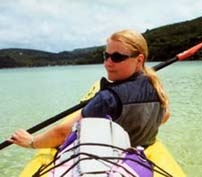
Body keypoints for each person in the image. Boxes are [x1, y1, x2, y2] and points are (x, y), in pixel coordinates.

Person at [9, 29, 170, 149]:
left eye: (117, 57)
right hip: (143, 152)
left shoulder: (109, 97)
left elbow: (63, 133)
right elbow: (164, 116)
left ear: (139, 59)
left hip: (112, 159)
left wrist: (31, 142)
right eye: (106, 56)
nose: (108, 63)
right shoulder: (155, 86)